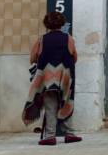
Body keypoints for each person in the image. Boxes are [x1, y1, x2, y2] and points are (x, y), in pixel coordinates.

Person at [22, 11, 82, 145]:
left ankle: (50, 136)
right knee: (66, 102)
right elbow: (75, 57)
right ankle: (69, 134)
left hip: (47, 78)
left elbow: (32, 59)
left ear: (47, 24)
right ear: (61, 24)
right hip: (65, 78)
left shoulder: (41, 40)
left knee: (50, 104)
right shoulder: (69, 39)